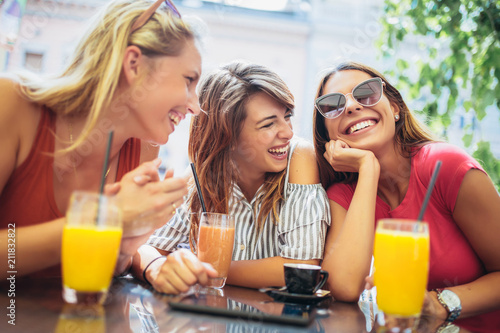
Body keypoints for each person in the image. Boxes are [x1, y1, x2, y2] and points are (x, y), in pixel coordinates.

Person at [0, 0, 204, 279]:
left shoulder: (144, 146)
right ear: (134, 65)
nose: (195, 106)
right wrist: (106, 219)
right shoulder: (12, 104)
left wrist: (127, 244)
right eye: (188, 81)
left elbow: (109, 269)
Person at [313, 62, 500, 326]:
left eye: (366, 93)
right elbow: (344, 288)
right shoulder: (343, 195)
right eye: (333, 105)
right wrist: (368, 169)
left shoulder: (446, 166)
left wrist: (441, 303)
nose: (353, 107)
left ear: (394, 108)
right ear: (327, 134)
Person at [132, 61, 331, 294]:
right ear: (228, 136)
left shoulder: (298, 156)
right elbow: (145, 250)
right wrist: (158, 268)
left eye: (287, 116)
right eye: (268, 124)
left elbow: (301, 268)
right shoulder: (200, 178)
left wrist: (203, 270)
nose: (287, 132)